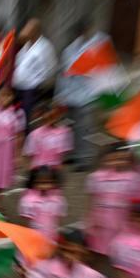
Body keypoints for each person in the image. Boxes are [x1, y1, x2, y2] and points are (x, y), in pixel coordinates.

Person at [56, 18, 102, 171]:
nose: (83, 34)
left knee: (85, 129)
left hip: (88, 95)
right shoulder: (69, 50)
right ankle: (74, 155)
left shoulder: (96, 49)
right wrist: (60, 95)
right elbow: (63, 74)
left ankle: (85, 160)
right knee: (71, 127)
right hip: (71, 95)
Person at [84, 143, 140, 255]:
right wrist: (90, 219)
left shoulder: (133, 177)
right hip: (101, 217)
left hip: (124, 218)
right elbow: (92, 200)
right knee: (99, 245)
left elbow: (135, 201)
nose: (117, 163)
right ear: (104, 159)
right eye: (113, 159)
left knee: (121, 247)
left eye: (122, 159)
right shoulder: (96, 177)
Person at [13, 18, 57, 132]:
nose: (25, 30)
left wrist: (38, 87)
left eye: (28, 28)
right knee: (19, 120)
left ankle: (30, 143)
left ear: (35, 31)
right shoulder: (26, 45)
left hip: (33, 90)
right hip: (20, 89)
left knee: (30, 121)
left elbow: (50, 70)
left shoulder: (45, 47)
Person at [19, 166, 67, 244]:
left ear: (54, 182)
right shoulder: (29, 201)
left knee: (49, 245)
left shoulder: (57, 199)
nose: (44, 186)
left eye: (48, 182)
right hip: (35, 231)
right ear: (32, 183)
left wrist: (56, 230)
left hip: (51, 231)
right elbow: (25, 220)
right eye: (39, 183)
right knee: (36, 245)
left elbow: (59, 217)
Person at [22, 103, 72, 170]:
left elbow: (63, 153)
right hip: (38, 167)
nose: (50, 119)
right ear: (42, 116)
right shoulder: (35, 134)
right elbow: (30, 154)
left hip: (55, 167)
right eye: (48, 117)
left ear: (58, 116)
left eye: (53, 116)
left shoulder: (63, 133)